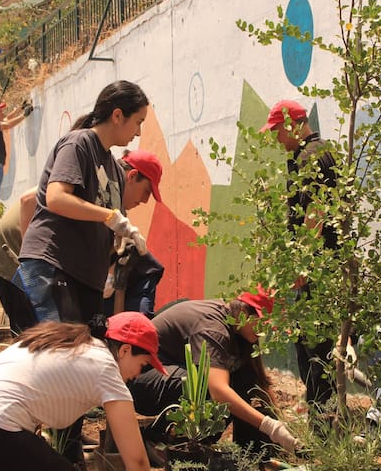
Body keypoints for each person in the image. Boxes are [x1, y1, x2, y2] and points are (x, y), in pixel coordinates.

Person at [0, 312, 166, 471]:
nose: (138, 374)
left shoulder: (69, 342)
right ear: (125, 350)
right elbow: (136, 461)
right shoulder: (106, 367)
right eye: (143, 365)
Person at [16, 80, 150, 324]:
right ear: (118, 115)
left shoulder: (115, 169)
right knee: (61, 353)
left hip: (87, 277)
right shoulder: (79, 144)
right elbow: (56, 198)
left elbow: (108, 228)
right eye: (138, 122)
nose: (139, 132)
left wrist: (120, 250)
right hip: (54, 266)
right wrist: (109, 216)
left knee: (86, 354)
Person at [128, 286, 298, 455]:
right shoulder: (213, 328)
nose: (263, 333)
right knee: (211, 386)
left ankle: (247, 455)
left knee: (245, 381)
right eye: (262, 325)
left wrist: (281, 426)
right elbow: (218, 391)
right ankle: (157, 438)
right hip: (142, 380)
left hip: (172, 374)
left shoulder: (240, 330)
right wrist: (270, 427)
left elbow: (258, 383)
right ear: (244, 314)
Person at [260, 100, 338, 416]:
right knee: (316, 344)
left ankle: (322, 415)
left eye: (278, 130)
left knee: (314, 345)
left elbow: (316, 211)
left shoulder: (311, 155)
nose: (277, 138)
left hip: (319, 269)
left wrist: (304, 261)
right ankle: (322, 408)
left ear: (292, 124)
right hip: (325, 268)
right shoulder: (313, 153)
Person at [104, 150, 165, 317]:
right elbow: (29, 199)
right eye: (146, 191)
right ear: (132, 176)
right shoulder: (98, 189)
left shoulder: (119, 208)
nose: (145, 200)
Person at [0, 187, 37, 335]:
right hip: (9, 258)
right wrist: (30, 258)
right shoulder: (64, 178)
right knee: (29, 330)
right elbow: (28, 199)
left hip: (26, 262)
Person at [0, 101, 30, 208]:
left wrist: (20, 108)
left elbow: (7, 118)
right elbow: (8, 124)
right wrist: (24, 115)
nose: (1, 112)